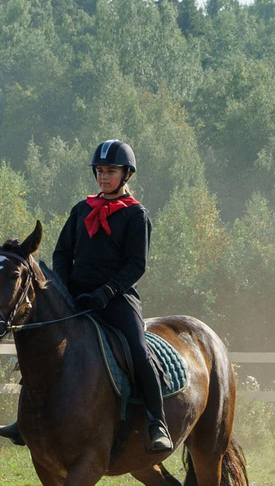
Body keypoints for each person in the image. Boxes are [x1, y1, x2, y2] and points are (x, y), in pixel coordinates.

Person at [30, 139, 170, 455]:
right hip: (76, 297)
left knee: (138, 351)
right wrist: (64, 287)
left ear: (126, 174)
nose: (104, 177)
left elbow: (136, 264)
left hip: (117, 299)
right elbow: (62, 252)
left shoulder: (136, 215)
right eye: (100, 170)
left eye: (111, 171)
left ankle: (156, 421)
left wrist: (105, 292)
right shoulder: (81, 210)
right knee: (42, 344)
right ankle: (28, 416)